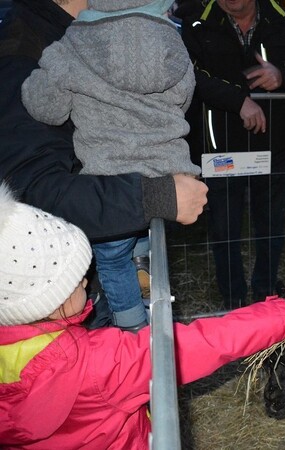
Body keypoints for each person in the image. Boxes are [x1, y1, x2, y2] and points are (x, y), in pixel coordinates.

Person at [0, 183, 285, 449]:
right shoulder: (95, 364)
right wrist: (282, 319)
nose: (87, 279)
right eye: (76, 278)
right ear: (52, 300)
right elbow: (195, 345)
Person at [20, 0, 201, 333]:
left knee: (112, 260)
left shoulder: (72, 41)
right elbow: (184, 94)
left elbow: (49, 109)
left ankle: (133, 329)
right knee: (145, 232)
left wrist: (41, 78)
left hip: (110, 180)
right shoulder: (168, 36)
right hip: (168, 175)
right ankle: (143, 259)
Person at [0, 0, 207, 254]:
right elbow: (30, 195)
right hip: (69, 268)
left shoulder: (82, 32)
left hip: (113, 228)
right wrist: (155, 197)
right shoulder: (23, 53)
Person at [182, 0, 285, 309]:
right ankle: (233, 298)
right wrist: (239, 101)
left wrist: (282, 76)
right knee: (225, 228)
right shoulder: (197, 24)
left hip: (275, 147)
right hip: (222, 148)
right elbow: (190, 78)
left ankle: (265, 295)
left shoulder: (284, 21)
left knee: (271, 225)